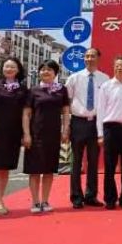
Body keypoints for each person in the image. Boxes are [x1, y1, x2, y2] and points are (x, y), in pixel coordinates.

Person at [23, 59, 70, 213]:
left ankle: (45, 200)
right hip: (36, 134)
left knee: (49, 170)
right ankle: (35, 202)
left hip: (53, 135)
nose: (45, 72)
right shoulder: (33, 90)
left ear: (55, 73)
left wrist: (65, 130)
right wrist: (26, 134)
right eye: (43, 69)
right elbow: (26, 114)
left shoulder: (61, 90)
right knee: (35, 170)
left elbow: (65, 112)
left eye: (49, 69)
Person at [0, 57, 28, 216]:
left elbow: (25, 113)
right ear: (2, 69)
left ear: (18, 70)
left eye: (12, 67)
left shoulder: (23, 90)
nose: (9, 69)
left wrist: (25, 133)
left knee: (6, 167)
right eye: (6, 66)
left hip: (14, 133)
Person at [65, 47, 108, 209]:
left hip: (96, 123)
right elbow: (67, 102)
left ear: (98, 58)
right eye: (87, 56)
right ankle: (76, 196)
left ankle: (91, 195)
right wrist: (66, 125)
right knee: (76, 161)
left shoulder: (105, 79)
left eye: (92, 56)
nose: (89, 58)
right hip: (78, 122)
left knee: (93, 161)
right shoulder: (74, 78)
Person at [97, 55, 122, 210]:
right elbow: (100, 111)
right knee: (109, 166)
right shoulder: (106, 86)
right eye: (117, 65)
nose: (119, 68)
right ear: (113, 68)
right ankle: (110, 199)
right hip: (110, 129)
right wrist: (100, 134)